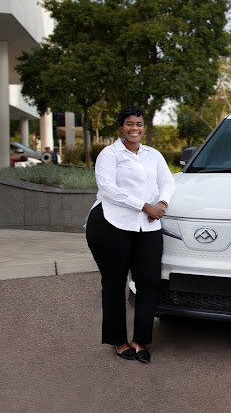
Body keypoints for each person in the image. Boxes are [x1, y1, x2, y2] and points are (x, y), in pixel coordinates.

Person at [85, 106, 175, 363]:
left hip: (147, 226)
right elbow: (109, 189)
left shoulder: (153, 155)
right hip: (110, 224)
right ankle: (119, 341)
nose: (134, 128)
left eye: (138, 124)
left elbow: (168, 182)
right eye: (129, 124)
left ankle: (140, 340)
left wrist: (162, 204)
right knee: (114, 284)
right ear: (121, 127)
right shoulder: (109, 154)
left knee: (149, 283)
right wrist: (145, 205)